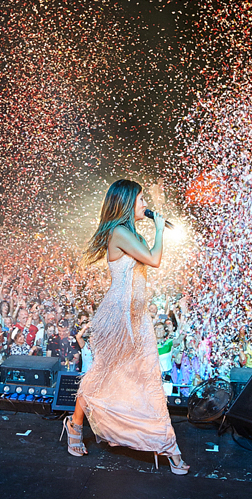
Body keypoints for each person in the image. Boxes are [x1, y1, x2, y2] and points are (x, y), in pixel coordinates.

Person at [67, 180, 188, 474]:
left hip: (137, 318)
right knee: (101, 373)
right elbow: (154, 260)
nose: (145, 204)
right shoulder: (118, 232)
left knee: (145, 379)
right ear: (126, 203)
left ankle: (163, 442)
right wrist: (159, 229)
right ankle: (75, 425)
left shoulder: (129, 232)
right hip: (117, 316)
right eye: (141, 199)